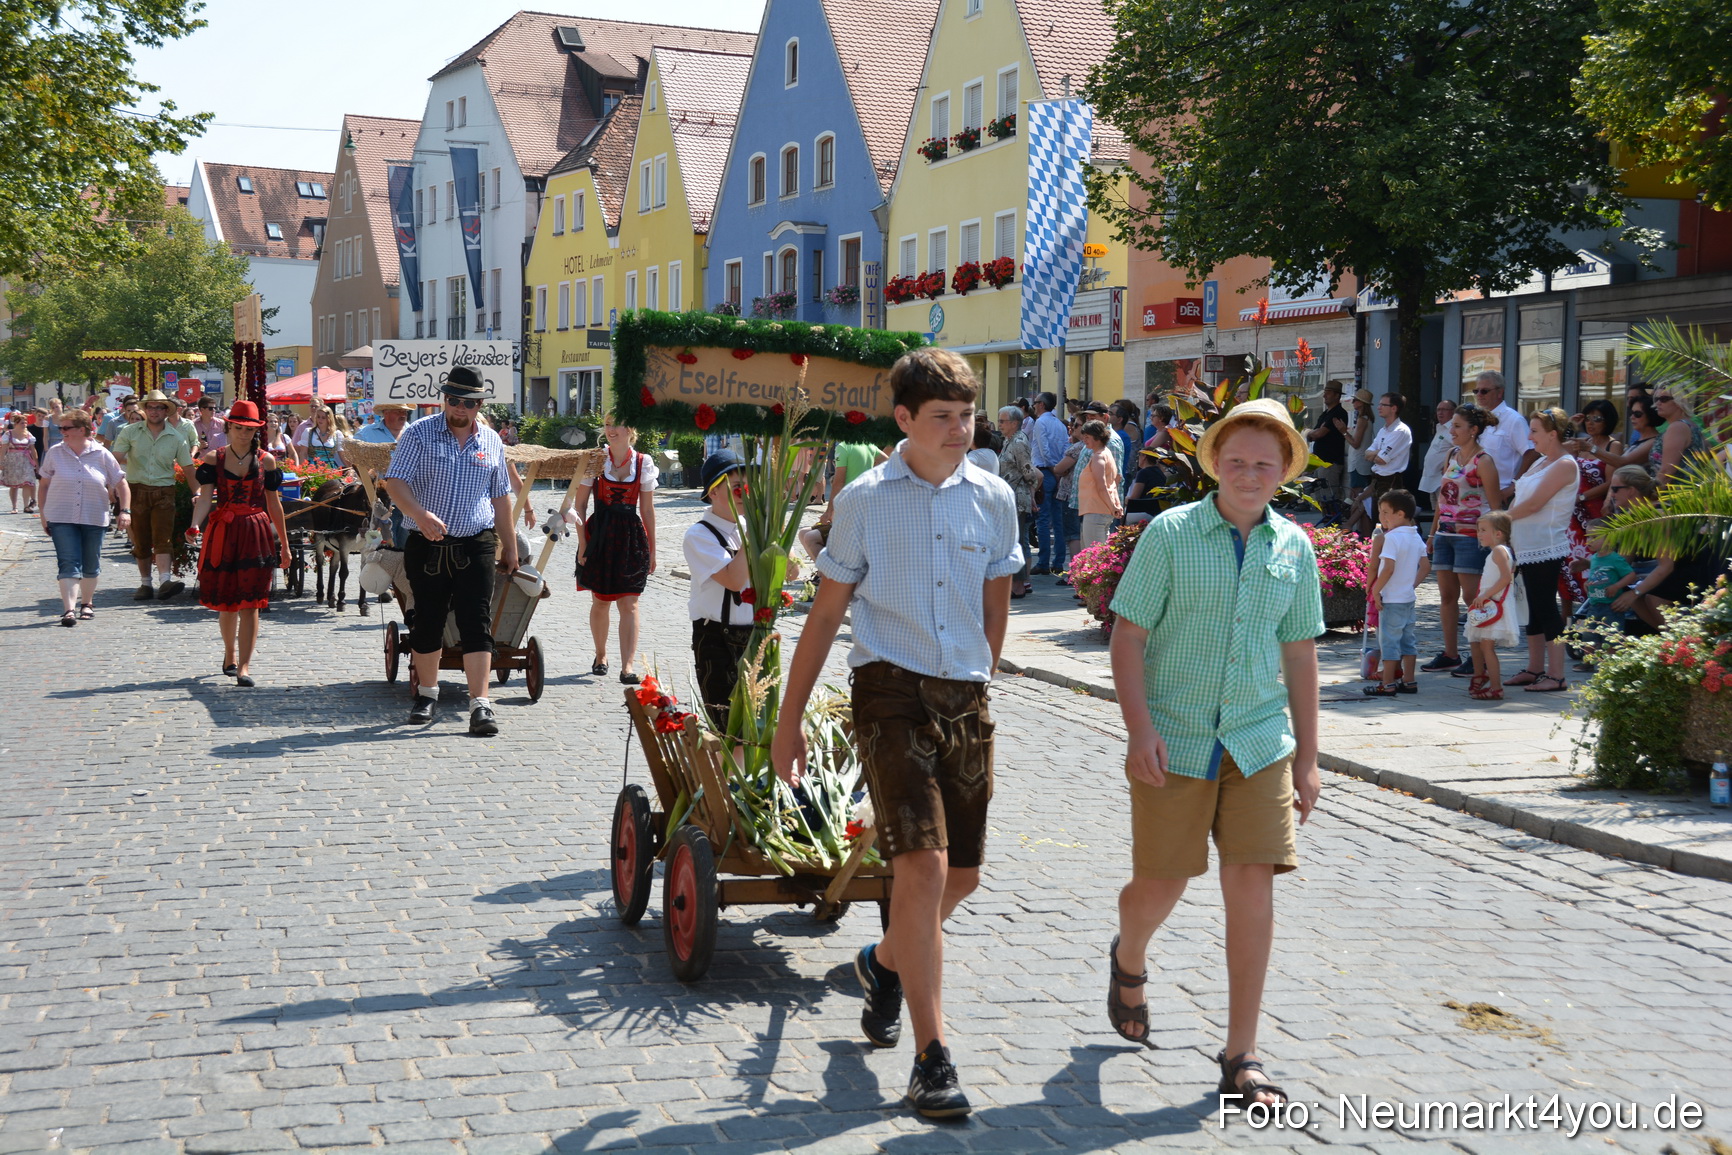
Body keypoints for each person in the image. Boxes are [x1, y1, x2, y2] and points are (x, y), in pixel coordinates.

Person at [771, 347, 1021, 1119]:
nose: (958, 430)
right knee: (923, 868)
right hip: (888, 692)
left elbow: (996, 603)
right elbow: (823, 617)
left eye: (967, 415)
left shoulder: (995, 496)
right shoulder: (865, 500)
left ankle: (882, 963)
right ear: (903, 419)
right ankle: (931, 1057)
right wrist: (789, 722)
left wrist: (982, 677)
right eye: (941, 417)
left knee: (964, 875)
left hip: (964, 694)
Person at [1103, 397, 1321, 1111]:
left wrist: (1310, 757)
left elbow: (1300, 652)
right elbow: (1127, 637)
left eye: (1265, 462)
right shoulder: (1169, 534)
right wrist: (1140, 730)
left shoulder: (1294, 546)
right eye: (1237, 461)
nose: (1250, 473)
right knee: (1159, 886)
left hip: (1260, 741)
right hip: (1176, 734)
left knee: (1252, 887)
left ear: (1285, 469)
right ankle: (1129, 954)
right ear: (1216, 465)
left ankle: (1240, 1053)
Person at [382, 367, 519, 735]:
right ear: (444, 399)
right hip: (427, 543)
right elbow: (394, 482)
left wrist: (509, 544)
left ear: (479, 404)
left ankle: (481, 705)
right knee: (428, 619)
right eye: (453, 400)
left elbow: (500, 498)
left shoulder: (491, 441)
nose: (460, 408)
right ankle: (427, 695)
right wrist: (419, 514)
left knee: (477, 621)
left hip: (476, 542)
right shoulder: (419, 433)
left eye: (468, 402)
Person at [187, 402, 290, 686]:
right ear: (229, 427)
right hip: (224, 531)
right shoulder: (213, 459)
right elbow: (206, 497)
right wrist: (196, 523)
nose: (244, 434)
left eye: (250, 430)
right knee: (227, 603)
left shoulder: (266, 460)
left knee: (251, 602)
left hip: (255, 533)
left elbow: (274, 504)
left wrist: (284, 543)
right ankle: (230, 653)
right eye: (239, 428)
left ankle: (244, 666)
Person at [572, 417, 657, 683]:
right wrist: (583, 544)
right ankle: (600, 655)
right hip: (600, 535)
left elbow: (647, 510)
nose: (610, 430)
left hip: (631, 537)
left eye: (616, 424)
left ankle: (628, 666)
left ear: (630, 429)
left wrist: (653, 549)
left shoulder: (644, 463)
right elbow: (580, 505)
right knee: (600, 601)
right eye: (607, 424)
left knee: (630, 603)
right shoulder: (596, 460)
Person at [1421, 404, 1501, 676]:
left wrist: (1496, 542)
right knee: (1446, 596)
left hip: (1471, 537)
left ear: (1473, 430)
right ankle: (1450, 653)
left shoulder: (1484, 461)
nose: (1451, 431)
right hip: (1445, 534)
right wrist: (1432, 534)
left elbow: (1495, 505)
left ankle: (1479, 655)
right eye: (1451, 425)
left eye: (1457, 426)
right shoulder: (1452, 455)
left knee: (1471, 598)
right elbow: (1443, 500)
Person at [1503, 408, 1579, 692]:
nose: (1529, 436)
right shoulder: (1542, 462)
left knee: (1546, 607)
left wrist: (1500, 520)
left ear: (1553, 434)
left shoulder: (1565, 464)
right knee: (1532, 607)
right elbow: (1520, 497)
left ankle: (1557, 674)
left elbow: (1535, 504)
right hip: (1525, 544)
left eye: (1534, 431)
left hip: (1544, 545)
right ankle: (1535, 667)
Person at [36, 409, 129, 625]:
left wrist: (125, 510)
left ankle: (86, 603)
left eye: (66, 428)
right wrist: (43, 514)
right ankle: (68, 610)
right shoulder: (55, 453)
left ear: (81, 430)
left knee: (91, 563)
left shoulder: (102, 453)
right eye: (60, 428)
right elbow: (44, 485)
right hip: (61, 516)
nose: (61, 432)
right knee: (68, 561)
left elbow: (121, 483)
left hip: (94, 515)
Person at [683, 452, 755, 724]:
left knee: (755, 728)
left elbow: (789, 572)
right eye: (736, 487)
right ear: (713, 492)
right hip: (717, 638)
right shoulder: (698, 535)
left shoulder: (746, 528)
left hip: (752, 634)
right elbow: (733, 580)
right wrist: (753, 536)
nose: (744, 493)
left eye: (747, 487)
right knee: (727, 727)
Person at [111, 390, 196, 600]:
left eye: (159, 407)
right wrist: (113, 482)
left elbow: (188, 467)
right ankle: (145, 584)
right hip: (136, 489)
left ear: (166, 411)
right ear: (145, 409)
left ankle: (165, 582)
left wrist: (198, 492)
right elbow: (115, 459)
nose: (154, 411)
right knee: (140, 538)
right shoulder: (130, 432)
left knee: (163, 536)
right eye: (151, 407)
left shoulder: (177, 437)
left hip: (164, 491)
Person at [1362, 489, 1429, 697]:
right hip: (1408, 598)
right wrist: (1411, 585)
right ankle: (1409, 681)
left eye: (1385, 512)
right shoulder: (1415, 536)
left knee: (1389, 642)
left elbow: (1388, 568)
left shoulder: (1391, 538)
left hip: (1391, 599)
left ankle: (1388, 683)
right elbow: (1426, 566)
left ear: (1400, 514)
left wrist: (1376, 589)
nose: (1382, 518)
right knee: (1408, 641)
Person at [1465, 511, 1520, 700]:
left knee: (1487, 647)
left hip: (1494, 604)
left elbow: (1505, 578)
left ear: (1498, 533)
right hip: (1489, 603)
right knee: (1478, 642)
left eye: (1483, 530)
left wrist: (1485, 595)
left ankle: (1496, 687)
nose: (1479, 534)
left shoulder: (1499, 551)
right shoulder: (1498, 551)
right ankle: (1483, 676)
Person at [1574, 521, 1636, 668]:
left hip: (1611, 605)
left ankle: (1611, 664)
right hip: (1595, 604)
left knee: (1611, 636)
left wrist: (1617, 586)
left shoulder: (1615, 558)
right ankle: (1588, 661)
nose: (1589, 541)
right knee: (1589, 634)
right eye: (1588, 537)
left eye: (1595, 537)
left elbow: (1631, 575)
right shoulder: (1595, 558)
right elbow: (1596, 576)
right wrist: (1588, 584)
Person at [1469, 371, 1535, 500]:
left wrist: (1513, 487)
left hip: (1501, 494)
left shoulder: (1514, 420)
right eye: (1476, 391)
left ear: (1500, 392)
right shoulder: (1477, 418)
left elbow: (1532, 453)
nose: (1479, 395)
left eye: (1484, 391)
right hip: (1476, 494)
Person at [996, 405, 1039, 597]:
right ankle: (1016, 583)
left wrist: (1032, 493)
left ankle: (1019, 585)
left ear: (1014, 423)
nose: (999, 424)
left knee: (1017, 542)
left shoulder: (1019, 441)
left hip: (1016, 497)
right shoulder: (1009, 440)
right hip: (1009, 496)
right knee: (1014, 541)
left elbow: (1029, 471)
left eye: (1002, 421)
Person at [1029, 391, 1070, 575]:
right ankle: (1059, 561)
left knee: (1043, 519)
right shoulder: (1059, 424)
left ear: (1041, 405)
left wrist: (1053, 468)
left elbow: (1044, 449)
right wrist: (1059, 470)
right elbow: (1064, 448)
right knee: (1057, 518)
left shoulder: (1041, 422)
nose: (1034, 406)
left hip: (1045, 471)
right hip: (1057, 472)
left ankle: (1044, 562)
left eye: (1035, 402)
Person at [1077, 420, 1123, 549]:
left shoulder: (1099, 456)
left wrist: (1114, 506)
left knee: (1093, 557)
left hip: (1096, 511)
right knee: (1098, 555)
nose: (1084, 439)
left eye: (1087, 437)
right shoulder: (1106, 452)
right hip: (1101, 511)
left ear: (1097, 437)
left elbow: (1102, 486)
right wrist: (1115, 505)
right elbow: (1115, 480)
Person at [1649, 386, 1707, 487]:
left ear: (1680, 401)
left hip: (1674, 497)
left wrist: (1650, 495)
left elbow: (1667, 472)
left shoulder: (1677, 428)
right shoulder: (1691, 425)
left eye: (1664, 399)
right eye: (1656, 399)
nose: (1658, 403)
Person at [1305, 381, 1350, 504]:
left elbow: (1319, 433)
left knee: (1329, 498)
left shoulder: (1339, 413)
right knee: (1320, 498)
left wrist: (1314, 433)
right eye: (1324, 393)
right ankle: (1326, 521)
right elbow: (1314, 434)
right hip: (1320, 461)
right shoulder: (1325, 414)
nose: (1324, 395)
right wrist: (1311, 433)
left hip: (1330, 462)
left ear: (1337, 395)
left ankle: (1333, 523)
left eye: (1328, 393)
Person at [1365, 393, 1412, 503]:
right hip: (1378, 480)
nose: (1378, 407)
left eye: (1383, 405)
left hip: (1391, 481)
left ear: (1394, 408)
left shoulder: (1400, 430)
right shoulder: (1383, 430)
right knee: (1377, 517)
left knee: (1387, 518)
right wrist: (1378, 452)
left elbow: (1382, 460)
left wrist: (1376, 454)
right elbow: (1366, 454)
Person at [1417, 398, 1457, 512]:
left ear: (1453, 412)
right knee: (1436, 513)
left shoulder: (1452, 429)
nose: (1440, 412)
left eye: (1444, 409)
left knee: (1445, 513)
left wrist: (1449, 468)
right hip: (1432, 480)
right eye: (1438, 409)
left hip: (1443, 481)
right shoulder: (1440, 427)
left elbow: (1460, 450)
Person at [3, 412, 38, 513]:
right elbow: (3, 450)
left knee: (27, 482)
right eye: (22, 423)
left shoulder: (28, 434)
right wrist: (1, 463)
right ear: (16, 423)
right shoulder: (8, 434)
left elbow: (33, 449)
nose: (24, 425)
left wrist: (36, 463)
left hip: (26, 461)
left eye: (25, 423)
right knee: (14, 485)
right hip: (12, 461)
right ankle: (14, 507)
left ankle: (26, 506)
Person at [299, 404, 346, 469]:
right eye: (318, 417)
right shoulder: (308, 432)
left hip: (330, 468)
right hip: (312, 468)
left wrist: (351, 468)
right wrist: (303, 470)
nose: (320, 420)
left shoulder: (337, 434)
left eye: (323, 417)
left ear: (329, 419)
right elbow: (303, 453)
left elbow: (342, 454)